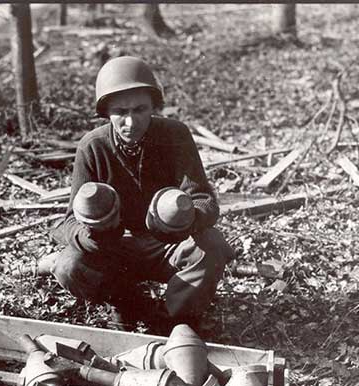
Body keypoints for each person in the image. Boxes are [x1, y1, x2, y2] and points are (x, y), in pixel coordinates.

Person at [39, 55, 234, 332]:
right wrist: (90, 236)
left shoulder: (174, 135)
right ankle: (128, 303)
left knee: (213, 245)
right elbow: (71, 220)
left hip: (166, 247)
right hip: (115, 251)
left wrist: (186, 218)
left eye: (140, 109)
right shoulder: (92, 147)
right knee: (68, 265)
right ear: (106, 112)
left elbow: (204, 200)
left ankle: (174, 317)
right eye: (121, 112)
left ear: (154, 106)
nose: (130, 122)